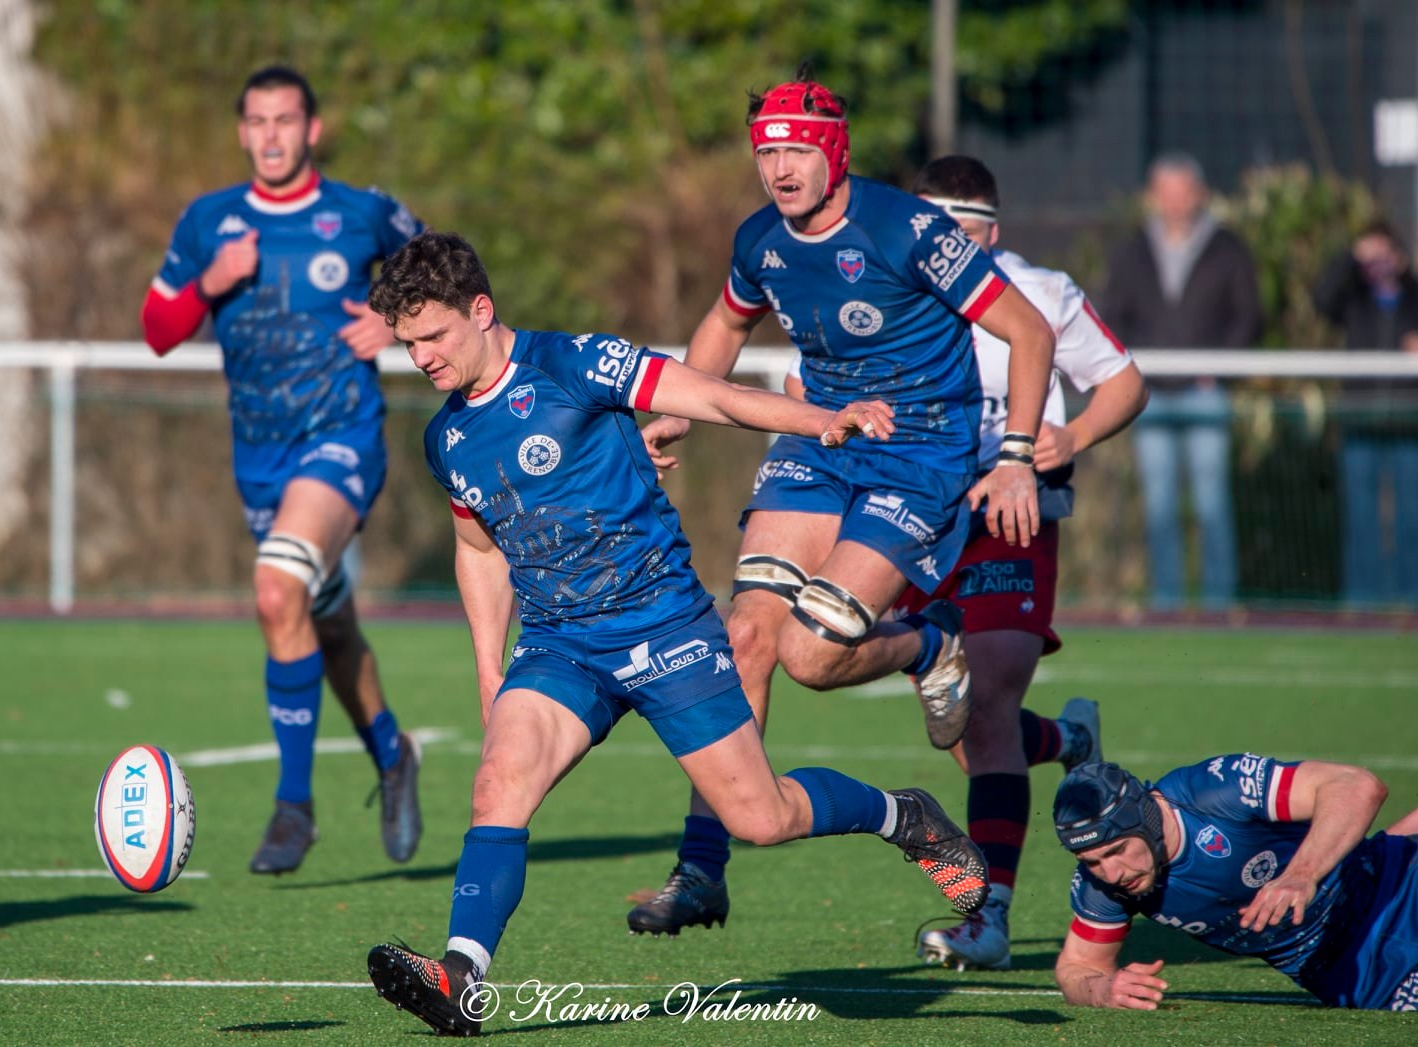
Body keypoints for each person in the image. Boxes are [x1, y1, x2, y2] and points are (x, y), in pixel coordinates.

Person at [361, 231, 991, 1037]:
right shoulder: (446, 437)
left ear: (480, 311)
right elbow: (478, 548)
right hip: (561, 643)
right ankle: (460, 975)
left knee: (760, 819)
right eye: (407, 343)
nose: (421, 357)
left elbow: (714, 397)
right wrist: (490, 670)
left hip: (662, 624)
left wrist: (821, 418)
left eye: (433, 336)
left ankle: (899, 814)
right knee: (499, 782)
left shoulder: (575, 363)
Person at [629, 71, 1055, 936]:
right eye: (766, 153)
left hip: (918, 458)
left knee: (813, 654)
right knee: (744, 635)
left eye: (794, 150)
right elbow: (723, 323)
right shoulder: (761, 240)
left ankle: (928, 644)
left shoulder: (908, 229)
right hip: (823, 441)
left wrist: (1014, 460)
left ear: (832, 153)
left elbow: (1028, 331)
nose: (779, 169)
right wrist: (675, 408)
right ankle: (701, 867)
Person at [842, 156, 1144, 971]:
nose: (947, 244)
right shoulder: (883, 287)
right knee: (968, 723)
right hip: (912, 514)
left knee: (990, 698)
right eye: (933, 226)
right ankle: (1071, 737)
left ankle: (989, 915)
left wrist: (1070, 437)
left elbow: (1123, 382)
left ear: (993, 231)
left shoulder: (1042, 292)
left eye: (963, 228)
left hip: (1012, 514)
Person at [139, 65, 424, 874]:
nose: (271, 135)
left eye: (285, 119)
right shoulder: (209, 221)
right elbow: (159, 327)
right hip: (257, 460)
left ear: (313, 129)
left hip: (341, 439)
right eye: (257, 121)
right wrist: (211, 282)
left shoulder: (362, 214)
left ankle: (293, 807)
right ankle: (393, 753)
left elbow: (452, 273)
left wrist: (392, 318)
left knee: (274, 590)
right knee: (323, 624)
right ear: (241, 132)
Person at [1053, 757, 1418, 1011]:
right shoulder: (1102, 884)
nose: (1112, 872)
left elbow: (1357, 785)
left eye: (1119, 850)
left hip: (1402, 884)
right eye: (1092, 861)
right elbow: (1077, 964)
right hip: (1363, 976)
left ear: (1145, 817)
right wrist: (1103, 991)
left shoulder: (1213, 791)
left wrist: (1301, 874)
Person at [1101, 152, 1261, 611]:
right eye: (1164, 193)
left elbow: (1248, 315)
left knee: (1212, 506)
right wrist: (1130, 375)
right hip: (1150, 398)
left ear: (1199, 195)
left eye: (1182, 192)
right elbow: (1112, 316)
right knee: (1160, 509)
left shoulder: (1228, 247)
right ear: (1153, 197)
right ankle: (1166, 606)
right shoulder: (1131, 250)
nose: (1173, 203)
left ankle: (1218, 603)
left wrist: (1219, 367)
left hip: (1206, 394)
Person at [1312, 219, 1418, 607]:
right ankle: (1362, 602)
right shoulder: (1354, 296)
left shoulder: (1416, 298)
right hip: (1360, 419)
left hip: (1411, 423)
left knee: (1412, 517)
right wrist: (1352, 257)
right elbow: (1322, 300)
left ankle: (1414, 599)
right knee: (1361, 519)